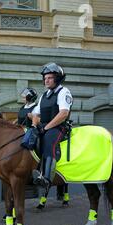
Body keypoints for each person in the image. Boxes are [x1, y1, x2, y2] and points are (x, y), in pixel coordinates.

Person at [31, 62, 73, 192]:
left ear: (57, 78)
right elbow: (35, 113)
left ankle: (47, 178)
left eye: (49, 78)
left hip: (58, 128)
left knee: (49, 141)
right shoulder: (44, 95)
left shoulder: (63, 91)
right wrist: (34, 126)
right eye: (45, 78)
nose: (46, 81)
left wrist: (46, 128)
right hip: (44, 126)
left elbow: (63, 114)